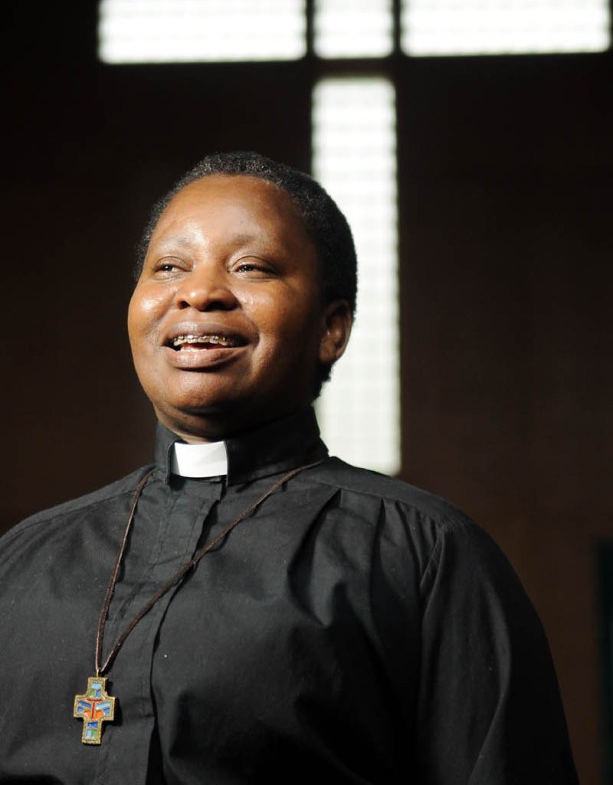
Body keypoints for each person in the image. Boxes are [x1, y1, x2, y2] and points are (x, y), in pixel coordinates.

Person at [0, 151, 578, 784]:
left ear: (332, 328)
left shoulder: (425, 556)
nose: (198, 292)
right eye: (169, 267)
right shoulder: (22, 560)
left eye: (252, 267)